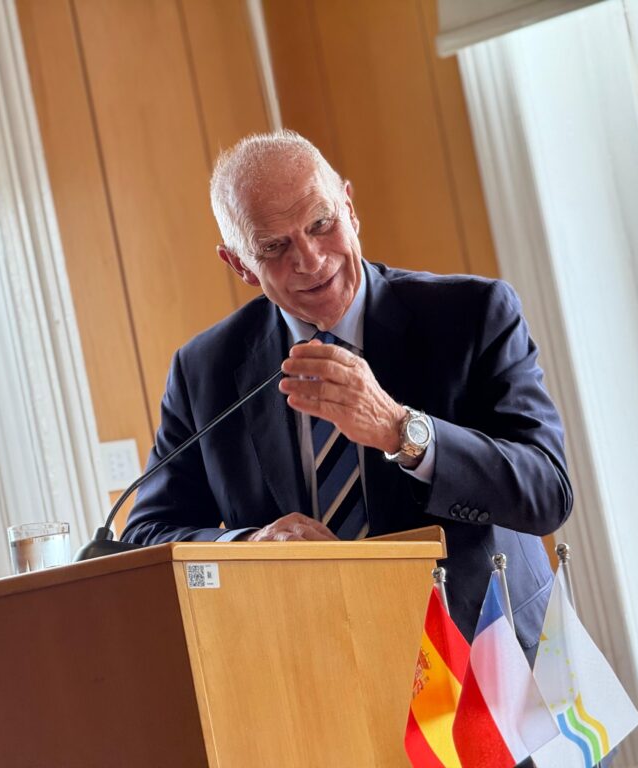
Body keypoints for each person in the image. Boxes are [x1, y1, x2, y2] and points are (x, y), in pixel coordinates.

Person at [122, 130, 574, 650]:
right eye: (274, 247)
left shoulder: (473, 314)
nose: (311, 259)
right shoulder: (205, 368)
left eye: (321, 224)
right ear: (240, 264)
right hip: (319, 660)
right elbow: (146, 535)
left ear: (350, 211)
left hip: (486, 652)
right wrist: (250, 543)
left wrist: (404, 432)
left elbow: (547, 491)